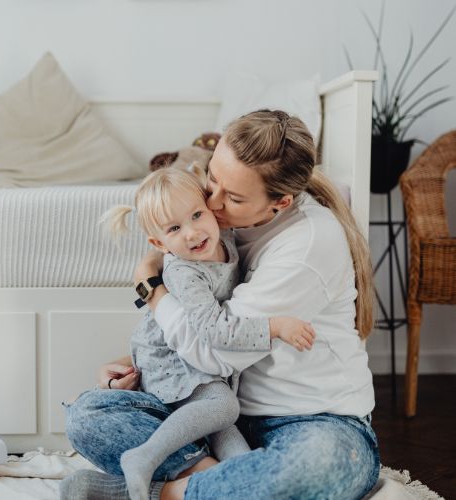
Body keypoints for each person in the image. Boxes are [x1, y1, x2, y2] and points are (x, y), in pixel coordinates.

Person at [61, 110, 380, 500]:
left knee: (319, 464)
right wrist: (137, 365)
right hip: (221, 416)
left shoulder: (305, 246)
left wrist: (152, 288)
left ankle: (159, 493)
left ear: (280, 202)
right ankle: (226, 480)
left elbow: (214, 349)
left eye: (233, 196)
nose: (210, 203)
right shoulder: (221, 229)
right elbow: (197, 318)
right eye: (213, 177)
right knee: (88, 414)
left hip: (311, 420)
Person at [81, 166, 315, 500]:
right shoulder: (185, 273)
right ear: (159, 243)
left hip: (198, 368)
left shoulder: (222, 237)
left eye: (196, 215)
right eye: (175, 228)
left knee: (243, 463)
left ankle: (100, 491)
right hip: (173, 365)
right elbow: (213, 330)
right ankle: (144, 456)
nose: (192, 233)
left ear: (211, 211)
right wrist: (275, 326)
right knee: (225, 407)